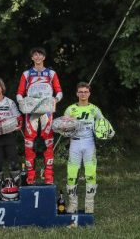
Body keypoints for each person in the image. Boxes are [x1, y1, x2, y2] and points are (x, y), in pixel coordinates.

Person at [17, 47, 63, 185]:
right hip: (31, 111)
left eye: (40, 55)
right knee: (28, 142)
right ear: (32, 58)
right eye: (35, 55)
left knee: (48, 141)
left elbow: (59, 91)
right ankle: (30, 176)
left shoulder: (51, 73)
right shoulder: (26, 74)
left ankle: (48, 175)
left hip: (46, 111)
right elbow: (19, 93)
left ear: (44, 57)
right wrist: (22, 101)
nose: (37, 57)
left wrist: (55, 99)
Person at [63, 82, 104, 214]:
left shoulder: (94, 109)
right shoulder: (70, 109)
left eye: (85, 92)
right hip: (74, 143)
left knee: (91, 174)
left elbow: (102, 124)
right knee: (71, 174)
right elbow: (63, 127)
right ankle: (72, 204)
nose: (83, 94)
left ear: (89, 93)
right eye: (80, 92)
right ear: (77, 94)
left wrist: (103, 132)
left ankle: (89, 205)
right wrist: (65, 128)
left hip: (89, 143)